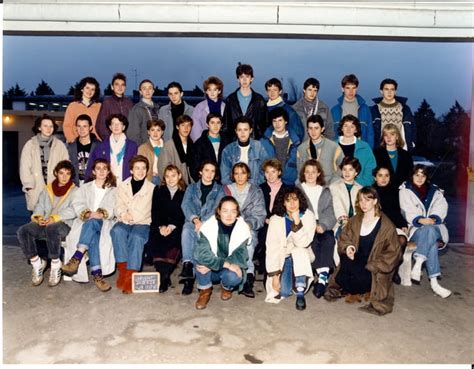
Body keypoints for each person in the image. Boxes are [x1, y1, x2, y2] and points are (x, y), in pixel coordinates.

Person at [324, 187, 401, 316]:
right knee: (345, 264)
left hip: (373, 267)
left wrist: (374, 265)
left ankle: (363, 289)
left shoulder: (387, 226)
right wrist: (349, 247)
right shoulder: (354, 220)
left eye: (367, 200)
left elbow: (394, 253)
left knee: (358, 275)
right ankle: (355, 288)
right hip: (357, 260)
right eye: (361, 200)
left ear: (375, 201)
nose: (363, 204)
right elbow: (344, 237)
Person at [17, 160, 77, 287]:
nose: (64, 177)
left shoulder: (75, 191)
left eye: (68, 174)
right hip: (45, 222)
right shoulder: (48, 189)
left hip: (64, 224)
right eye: (61, 173)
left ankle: (55, 265)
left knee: (52, 228)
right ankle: (36, 264)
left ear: (71, 175)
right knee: (23, 230)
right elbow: (39, 205)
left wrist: (55, 218)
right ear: (56, 173)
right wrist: (38, 217)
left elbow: (73, 210)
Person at [61, 159, 117, 291]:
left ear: (108, 171)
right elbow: (77, 203)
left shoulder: (114, 190)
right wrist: (87, 213)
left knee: (94, 226)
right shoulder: (84, 188)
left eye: (105, 168)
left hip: (104, 221)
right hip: (85, 221)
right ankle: (97, 275)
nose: (102, 171)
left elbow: (114, 206)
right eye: (98, 168)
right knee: (93, 233)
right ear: (93, 171)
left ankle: (77, 257)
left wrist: (102, 213)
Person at [399, 165, 451, 298]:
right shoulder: (405, 190)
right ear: (412, 176)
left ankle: (418, 263)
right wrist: (420, 220)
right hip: (416, 228)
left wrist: (433, 218)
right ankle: (434, 283)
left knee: (430, 230)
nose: (420, 178)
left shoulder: (435, 191)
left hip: (435, 226)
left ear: (427, 177)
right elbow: (406, 208)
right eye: (417, 175)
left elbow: (442, 206)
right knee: (431, 243)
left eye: (423, 175)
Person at [193, 196, 252, 310]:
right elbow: (203, 255)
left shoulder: (242, 229)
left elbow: (239, 258)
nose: (229, 215)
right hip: (211, 270)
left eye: (233, 211)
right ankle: (205, 290)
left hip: (225, 270)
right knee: (201, 262)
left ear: (237, 213)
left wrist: (215, 265)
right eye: (225, 211)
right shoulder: (208, 227)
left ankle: (226, 287)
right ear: (219, 211)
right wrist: (223, 264)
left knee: (234, 276)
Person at [265, 187, 317, 311]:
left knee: (298, 250)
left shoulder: (308, 216)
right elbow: (272, 249)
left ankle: (300, 291)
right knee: (283, 292)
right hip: (284, 258)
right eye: (288, 200)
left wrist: (297, 221)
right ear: (283, 203)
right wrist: (275, 276)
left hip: (303, 254)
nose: (292, 204)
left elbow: (303, 243)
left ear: (300, 201)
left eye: (295, 199)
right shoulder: (275, 219)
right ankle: (290, 277)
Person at [110, 155, 155, 294]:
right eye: (137, 168)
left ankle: (131, 274)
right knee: (117, 231)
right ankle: (123, 272)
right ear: (131, 170)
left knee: (137, 237)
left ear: (147, 170)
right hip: (125, 220)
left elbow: (147, 210)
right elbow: (118, 204)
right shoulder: (123, 185)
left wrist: (131, 217)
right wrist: (123, 214)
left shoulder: (152, 188)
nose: (140, 171)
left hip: (143, 222)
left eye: (143, 168)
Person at [179, 161, 224, 295]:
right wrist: (195, 219)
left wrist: (203, 222)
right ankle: (188, 266)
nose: (209, 174)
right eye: (206, 170)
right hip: (193, 221)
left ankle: (195, 276)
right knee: (187, 230)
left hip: (211, 222)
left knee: (200, 235)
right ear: (200, 172)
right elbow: (186, 205)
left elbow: (218, 208)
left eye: (212, 171)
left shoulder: (219, 190)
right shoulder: (191, 188)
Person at [222, 163, 266, 298]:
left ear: (248, 174)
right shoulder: (225, 190)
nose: (240, 176)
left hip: (248, 226)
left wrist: (248, 224)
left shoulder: (255, 191)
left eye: (243, 173)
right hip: (228, 225)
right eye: (236, 173)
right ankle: (233, 276)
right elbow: (218, 210)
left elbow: (260, 215)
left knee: (249, 240)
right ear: (232, 176)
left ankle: (248, 278)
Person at [296, 159, 337, 298]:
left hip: (322, 223)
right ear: (303, 174)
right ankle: (321, 276)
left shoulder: (325, 190)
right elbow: (295, 209)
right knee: (312, 242)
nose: (310, 175)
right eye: (307, 172)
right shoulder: (298, 189)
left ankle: (322, 277)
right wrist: (309, 224)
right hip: (305, 223)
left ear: (319, 173)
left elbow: (330, 211)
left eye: (313, 172)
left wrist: (324, 225)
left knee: (328, 239)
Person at [147, 164, 186, 293]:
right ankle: (163, 274)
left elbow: (182, 213)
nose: (170, 179)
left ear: (179, 176)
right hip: (160, 224)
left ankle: (165, 275)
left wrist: (171, 226)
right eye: (167, 176)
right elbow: (155, 211)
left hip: (176, 225)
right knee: (156, 238)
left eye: (173, 176)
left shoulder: (184, 191)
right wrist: (161, 226)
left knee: (174, 240)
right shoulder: (158, 190)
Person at [20, 114, 69, 211]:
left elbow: (65, 166)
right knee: (37, 221)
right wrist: (29, 186)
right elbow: (24, 167)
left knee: (53, 221)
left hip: (55, 187)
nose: (48, 129)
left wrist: (62, 183)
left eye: (51, 126)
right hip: (36, 188)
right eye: (45, 126)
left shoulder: (59, 145)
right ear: (39, 127)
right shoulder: (30, 145)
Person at [372, 166, 409, 285]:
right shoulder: (371, 191)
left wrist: (403, 224)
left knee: (402, 240)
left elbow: (397, 211)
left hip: (393, 226)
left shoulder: (395, 191)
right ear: (375, 177)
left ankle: (394, 270)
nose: (383, 178)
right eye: (380, 175)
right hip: (376, 226)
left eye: (386, 175)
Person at [255, 159, 288, 277]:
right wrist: (264, 219)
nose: (270, 175)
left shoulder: (287, 189)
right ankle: (265, 268)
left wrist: (275, 220)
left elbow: (288, 209)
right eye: (267, 172)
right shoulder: (260, 188)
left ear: (279, 172)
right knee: (263, 236)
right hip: (263, 221)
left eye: (273, 172)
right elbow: (256, 207)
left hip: (280, 222)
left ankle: (278, 268)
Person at [86, 113, 138, 182]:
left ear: (124, 127)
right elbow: (91, 166)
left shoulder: (132, 146)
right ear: (110, 127)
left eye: (119, 123)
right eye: (113, 124)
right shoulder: (101, 146)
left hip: (126, 183)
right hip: (106, 183)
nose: (116, 126)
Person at [220, 116, 271, 186]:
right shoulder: (228, 150)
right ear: (236, 131)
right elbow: (224, 176)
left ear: (250, 130)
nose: (243, 133)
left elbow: (265, 170)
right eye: (239, 130)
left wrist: (254, 186)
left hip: (255, 187)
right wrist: (235, 188)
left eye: (245, 129)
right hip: (234, 189)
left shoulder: (258, 147)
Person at [222, 63, 267, 140]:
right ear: (238, 79)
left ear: (252, 79)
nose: (244, 80)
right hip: (234, 142)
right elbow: (226, 125)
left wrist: (259, 139)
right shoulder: (231, 99)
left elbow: (265, 123)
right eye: (242, 77)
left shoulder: (259, 100)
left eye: (247, 76)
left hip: (254, 142)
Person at [370, 78, 416, 152]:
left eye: (392, 89)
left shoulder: (404, 108)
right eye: (386, 89)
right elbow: (370, 131)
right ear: (381, 91)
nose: (389, 92)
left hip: (401, 148)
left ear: (395, 92)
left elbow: (413, 128)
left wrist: (411, 143)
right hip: (381, 149)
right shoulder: (374, 110)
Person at [296, 114, 343, 185]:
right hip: (308, 187)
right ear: (307, 130)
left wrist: (333, 183)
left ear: (322, 129)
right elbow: (300, 172)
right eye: (310, 128)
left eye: (316, 128)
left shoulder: (334, 147)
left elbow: (342, 167)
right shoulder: (301, 149)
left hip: (329, 186)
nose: (313, 131)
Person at [260, 107, 301, 186]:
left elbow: (300, 165)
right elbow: (260, 165)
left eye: (280, 120)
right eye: (274, 121)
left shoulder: (296, 141)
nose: (277, 124)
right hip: (269, 183)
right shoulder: (263, 141)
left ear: (286, 121)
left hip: (290, 184)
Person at [331, 74, 374, 148]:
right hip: (340, 148)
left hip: (360, 147)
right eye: (348, 88)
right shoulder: (335, 110)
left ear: (357, 89)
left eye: (353, 88)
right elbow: (331, 133)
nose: (351, 91)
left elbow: (370, 132)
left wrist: (369, 150)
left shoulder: (365, 109)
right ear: (342, 89)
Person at [189, 113, 230, 183]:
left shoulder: (228, 142)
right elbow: (194, 168)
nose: (215, 126)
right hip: (207, 183)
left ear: (222, 125)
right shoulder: (199, 144)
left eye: (218, 123)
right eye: (212, 123)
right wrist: (203, 183)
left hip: (226, 183)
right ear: (207, 125)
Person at [337, 114, 376, 186]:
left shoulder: (364, 147)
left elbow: (370, 169)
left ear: (356, 130)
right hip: (337, 187)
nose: (348, 129)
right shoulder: (333, 146)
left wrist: (359, 184)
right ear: (341, 128)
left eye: (352, 126)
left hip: (360, 187)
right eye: (346, 126)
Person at [329, 157, 363, 237]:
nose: (347, 173)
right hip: (340, 223)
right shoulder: (334, 186)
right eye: (344, 169)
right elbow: (338, 206)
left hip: (358, 224)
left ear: (356, 172)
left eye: (350, 170)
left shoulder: (361, 189)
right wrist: (344, 222)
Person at [373, 123, 414, 189]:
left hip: (401, 192)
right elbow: (373, 174)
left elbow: (411, 175)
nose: (389, 137)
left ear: (397, 136)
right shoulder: (376, 153)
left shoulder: (406, 155)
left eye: (392, 134)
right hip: (381, 191)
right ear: (383, 137)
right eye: (386, 135)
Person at [96, 72, 134, 141]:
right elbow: (101, 126)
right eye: (117, 84)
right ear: (112, 87)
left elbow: (133, 124)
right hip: (112, 142)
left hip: (127, 142)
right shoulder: (107, 102)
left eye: (122, 85)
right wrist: (110, 141)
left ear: (125, 87)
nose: (120, 87)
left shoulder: (129, 103)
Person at [63, 76, 101, 143]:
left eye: (93, 89)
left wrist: (100, 141)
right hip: (77, 143)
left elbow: (102, 126)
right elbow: (67, 126)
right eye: (87, 88)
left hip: (95, 144)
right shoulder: (73, 106)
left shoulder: (99, 107)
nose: (89, 91)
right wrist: (72, 140)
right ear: (82, 89)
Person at [158, 114, 194, 185]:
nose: (186, 128)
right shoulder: (168, 145)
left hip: (191, 184)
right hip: (175, 184)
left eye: (188, 125)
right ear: (177, 127)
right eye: (183, 125)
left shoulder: (192, 144)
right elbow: (163, 168)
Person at [190, 76, 226, 142]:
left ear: (219, 91)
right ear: (206, 91)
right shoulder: (200, 107)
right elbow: (195, 128)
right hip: (204, 143)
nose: (212, 92)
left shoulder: (226, 107)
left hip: (222, 142)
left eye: (215, 89)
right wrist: (201, 144)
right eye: (209, 90)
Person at [67, 114, 99, 186]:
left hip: (93, 184)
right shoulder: (71, 147)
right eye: (79, 126)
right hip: (75, 184)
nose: (81, 129)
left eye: (85, 126)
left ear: (90, 127)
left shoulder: (98, 146)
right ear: (76, 128)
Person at [127, 79, 160, 145]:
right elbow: (133, 135)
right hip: (144, 148)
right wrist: (141, 149)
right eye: (144, 88)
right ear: (140, 92)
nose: (147, 91)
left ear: (153, 91)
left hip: (158, 147)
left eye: (150, 88)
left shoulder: (158, 108)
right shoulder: (136, 110)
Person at [137, 119, 165, 185]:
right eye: (152, 130)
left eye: (158, 130)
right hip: (151, 179)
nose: (155, 133)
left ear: (162, 132)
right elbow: (139, 167)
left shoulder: (167, 146)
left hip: (166, 179)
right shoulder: (143, 148)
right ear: (148, 132)